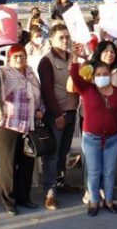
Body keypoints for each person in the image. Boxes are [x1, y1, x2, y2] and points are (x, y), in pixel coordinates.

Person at [0, 42, 43, 215]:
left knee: (27, 164)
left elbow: (39, 95)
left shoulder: (31, 73)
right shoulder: (4, 72)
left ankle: (24, 197)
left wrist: (41, 110)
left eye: (22, 56)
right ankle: (9, 201)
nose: (19, 59)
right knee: (8, 166)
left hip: (29, 125)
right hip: (9, 125)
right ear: (10, 59)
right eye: (15, 56)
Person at [70, 59, 117, 216]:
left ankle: (108, 200)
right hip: (91, 139)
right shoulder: (87, 89)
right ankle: (94, 201)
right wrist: (75, 60)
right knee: (94, 172)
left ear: (110, 75)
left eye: (105, 74)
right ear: (93, 76)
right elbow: (74, 76)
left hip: (112, 139)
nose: (102, 76)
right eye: (98, 74)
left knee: (109, 171)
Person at [37, 24, 79, 209]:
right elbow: (47, 91)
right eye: (61, 37)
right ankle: (49, 192)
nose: (65, 40)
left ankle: (60, 182)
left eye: (67, 37)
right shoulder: (46, 61)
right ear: (51, 39)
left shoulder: (72, 58)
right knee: (52, 155)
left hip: (71, 110)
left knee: (63, 152)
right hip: (57, 114)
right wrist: (57, 114)